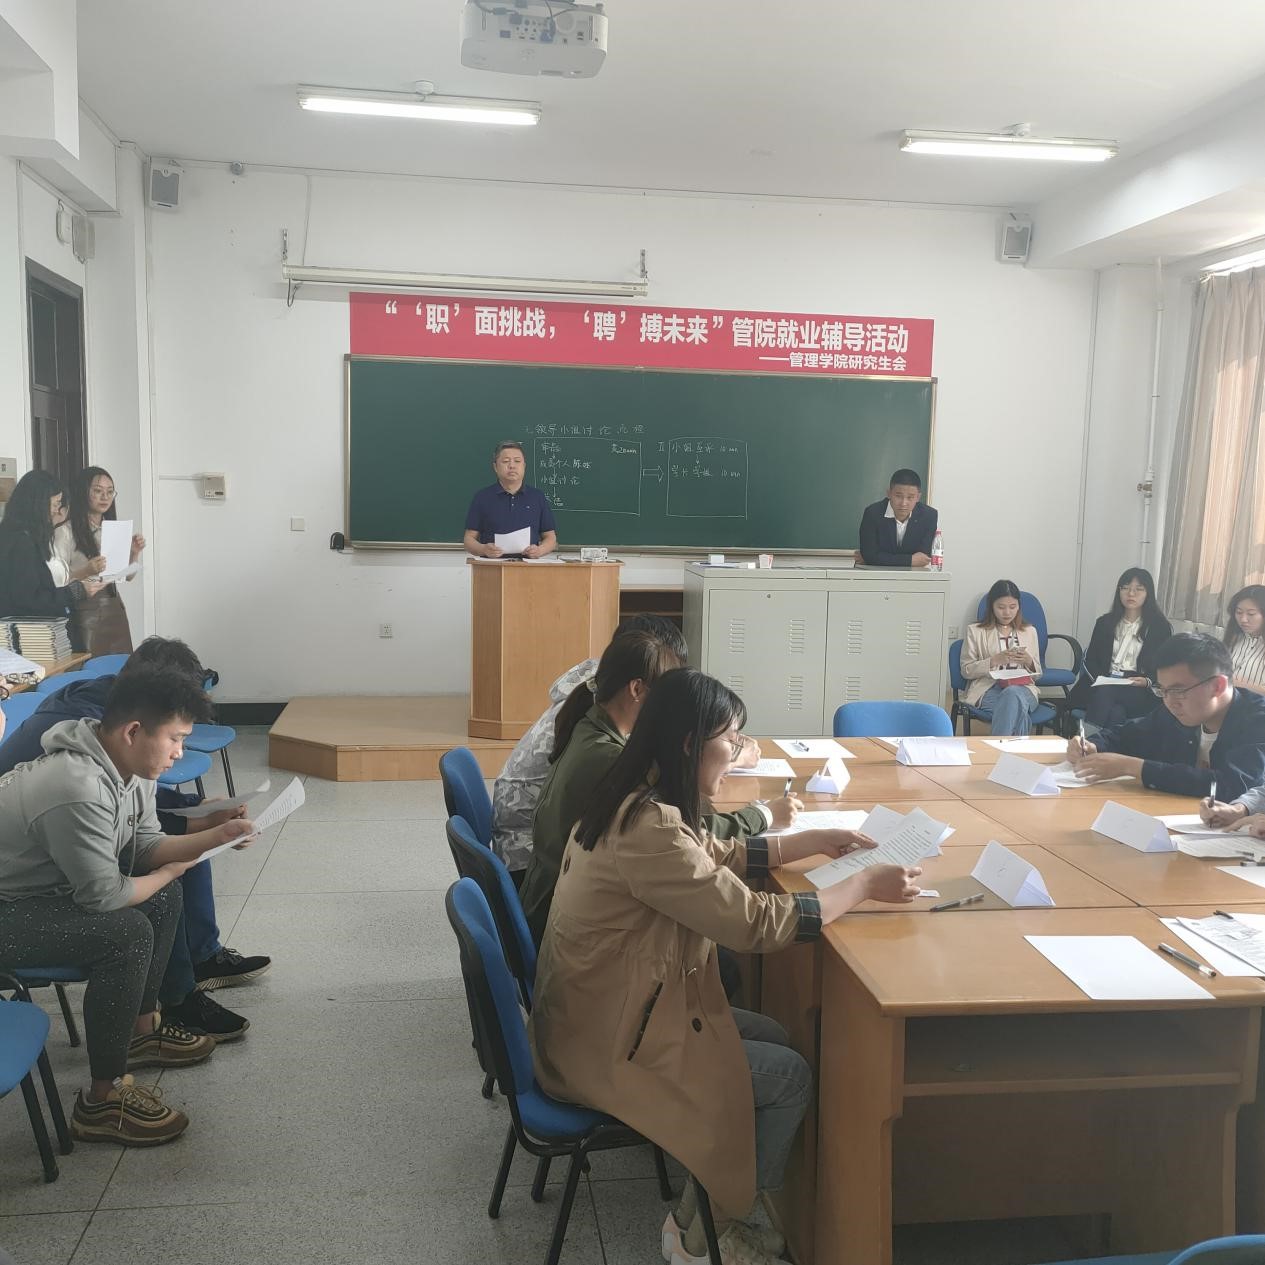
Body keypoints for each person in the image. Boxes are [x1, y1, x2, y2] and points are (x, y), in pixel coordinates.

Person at [529, 668, 922, 1265]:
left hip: (602, 1009)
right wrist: (863, 885)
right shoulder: (649, 827)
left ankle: (700, 1212)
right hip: (604, 1041)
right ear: (691, 743)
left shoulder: (636, 795)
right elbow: (755, 924)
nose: (736, 751)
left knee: (772, 1036)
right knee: (789, 1077)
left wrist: (811, 841)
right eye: (731, 739)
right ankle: (709, 1236)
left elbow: (715, 854)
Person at [0, 665, 259, 1145]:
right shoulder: (75, 785)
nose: (179, 752)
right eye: (175, 739)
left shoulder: (127, 766)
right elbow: (105, 896)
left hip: (36, 895)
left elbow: (143, 845)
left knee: (161, 897)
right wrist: (169, 871)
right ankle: (102, 1101)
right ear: (133, 731)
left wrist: (215, 836)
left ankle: (139, 1032)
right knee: (125, 933)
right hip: (7, 911)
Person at [517, 632, 798, 945]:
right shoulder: (613, 763)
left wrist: (723, 753)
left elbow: (691, 839)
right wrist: (761, 814)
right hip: (558, 919)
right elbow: (686, 837)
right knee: (710, 941)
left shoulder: (592, 728)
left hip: (553, 901)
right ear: (637, 690)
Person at [491, 614, 690, 875]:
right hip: (526, 855)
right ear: (637, 685)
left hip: (535, 847)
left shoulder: (594, 698)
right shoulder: (595, 733)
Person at [1069, 632, 1265, 798]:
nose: (1169, 701)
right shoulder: (1176, 708)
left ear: (1217, 686)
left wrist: (1133, 767)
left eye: (1178, 690)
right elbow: (1130, 734)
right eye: (1162, 690)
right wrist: (1092, 744)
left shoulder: (1258, 719)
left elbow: (1232, 785)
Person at [54, 466, 146, 656]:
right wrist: (86, 571)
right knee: (91, 666)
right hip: (86, 610)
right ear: (83, 492)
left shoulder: (113, 529)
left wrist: (134, 554)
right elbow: (56, 580)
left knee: (121, 666)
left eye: (110, 491)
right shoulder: (65, 531)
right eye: (98, 491)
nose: (105, 497)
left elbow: (126, 577)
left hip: (114, 607)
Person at [1071, 568, 1172, 730]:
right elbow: (1091, 660)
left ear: (1148, 594)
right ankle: (1100, 744)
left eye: (1139, 589)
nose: (1131, 594)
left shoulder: (1160, 627)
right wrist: (1100, 679)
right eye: (1125, 588)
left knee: (1106, 693)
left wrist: (1148, 681)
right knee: (1116, 712)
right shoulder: (1104, 623)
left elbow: (1165, 665)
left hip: (1138, 688)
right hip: (1104, 679)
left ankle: (1087, 740)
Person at [0, 469, 102, 621]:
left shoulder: (14, 535)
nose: (57, 511)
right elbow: (29, 600)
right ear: (38, 505)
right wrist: (76, 591)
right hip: (29, 631)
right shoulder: (22, 543)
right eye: (55, 504)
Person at [960, 579, 1043, 736]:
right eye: (1001, 607)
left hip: (1024, 689)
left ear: (1019, 607)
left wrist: (1028, 661)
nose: (1007, 613)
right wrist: (994, 661)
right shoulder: (975, 631)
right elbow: (966, 670)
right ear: (992, 606)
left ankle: (997, 749)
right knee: (1018, 711)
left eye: (1012, 607)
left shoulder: (1029, 631)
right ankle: (1015, 750)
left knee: (1012, 695)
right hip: (989, 688)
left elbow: (1038, 674)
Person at [463, 441, 557, 559]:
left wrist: (539, 550)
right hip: (492, 565)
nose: (512, 466)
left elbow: (550, 537)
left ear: (524, 466)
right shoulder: (482, 497)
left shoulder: (537, 497)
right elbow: (469, 539)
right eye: (506, 461)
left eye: (517, 461)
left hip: (528, 565)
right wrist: (484, 549)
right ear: (495, 467)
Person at [857, 468, 938, 568]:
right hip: (877, 573)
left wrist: (880, 558)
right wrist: (910, 560)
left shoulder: (929, 516)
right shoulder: (873, 513)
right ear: (889, 493)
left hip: (913, 575)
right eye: (898, 496)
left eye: (910, 497)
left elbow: (923, 558)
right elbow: (870, 556)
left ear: (918, 497)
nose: (904, 503)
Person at [1223, 585, 1265, 696]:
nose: (1243, 619)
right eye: (1239, 612)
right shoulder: (1233, 638)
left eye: (1251, 614)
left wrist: (1239, 684)